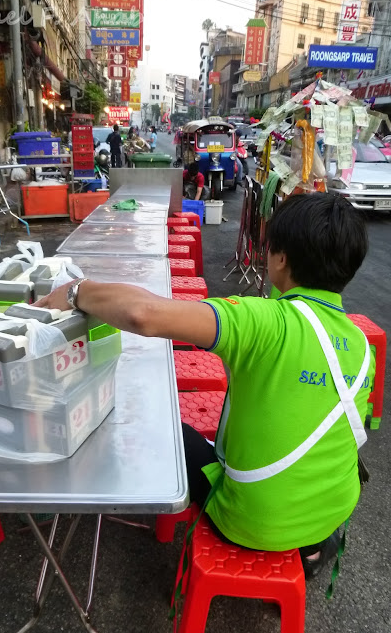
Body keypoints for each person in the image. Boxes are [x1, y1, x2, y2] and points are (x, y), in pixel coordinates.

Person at [34, 192, 374, 579]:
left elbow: (143, 314)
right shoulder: (363, 346)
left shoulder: (264, 320)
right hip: (333, 509)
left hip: (252, 521)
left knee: (165, 427)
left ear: (280, 258)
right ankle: (312, 547)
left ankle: (71, 489)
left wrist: (75, 292)